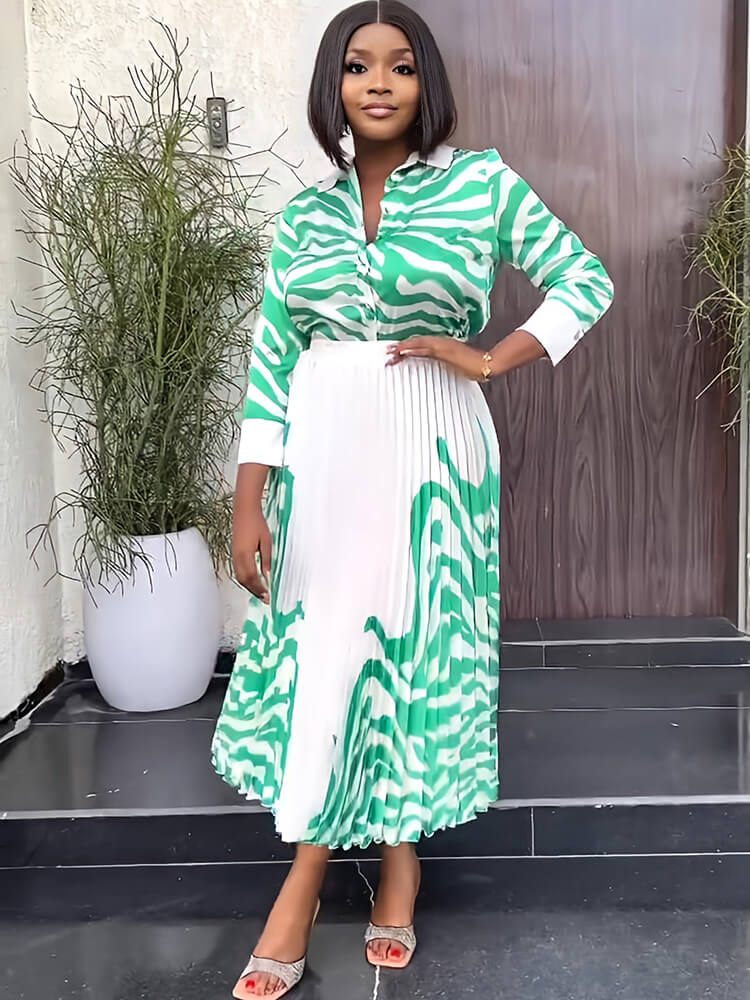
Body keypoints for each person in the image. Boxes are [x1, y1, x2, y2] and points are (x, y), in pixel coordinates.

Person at [211, 2, 614, 997]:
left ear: (426, 81)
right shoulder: (304, 217)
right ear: (334, 85)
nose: (379, 83)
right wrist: (248, 500)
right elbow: (271, 364)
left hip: (432, 453)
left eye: (400, 65)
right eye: (358, 66)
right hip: (321, 455)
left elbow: (584, 278)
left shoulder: (481, 185)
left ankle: (370, 869)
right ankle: (334, 870)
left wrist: (490, 357)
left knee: (406, 651)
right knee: (326, 654)